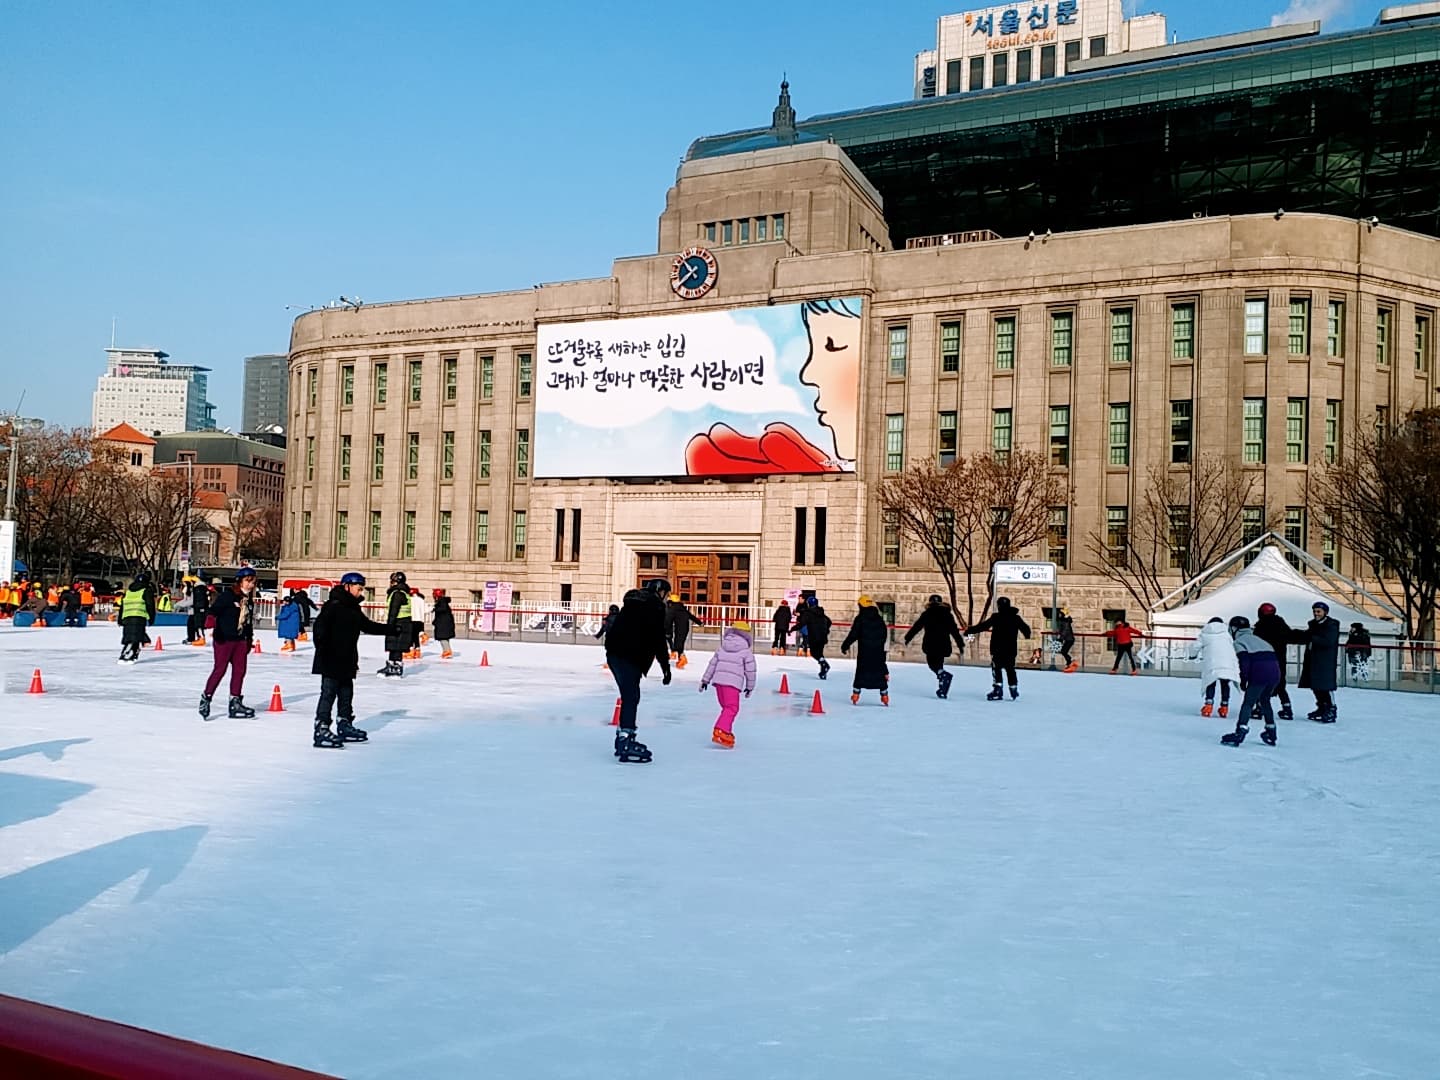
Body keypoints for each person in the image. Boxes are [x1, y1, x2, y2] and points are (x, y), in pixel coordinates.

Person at [310, 572, 392, 748]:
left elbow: (367, 626)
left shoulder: (354, 608)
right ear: (347, 586)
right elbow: (319, 630)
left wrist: (392, 630)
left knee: (346, 693)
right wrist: (324, 650)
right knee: (329, 692)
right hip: (330, 658)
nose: (360, 591)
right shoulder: (333, 605)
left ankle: (344, 723)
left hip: (347, 658)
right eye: (358, 588)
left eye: (362, 588)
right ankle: (321, 727)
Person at [604, 578, 673, 763]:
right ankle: (625, 738)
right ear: (661, 592)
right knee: (631, 697)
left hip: (614, 655)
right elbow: (658, 639)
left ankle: (624, 735)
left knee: (630, 696)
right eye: (667, 594)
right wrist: (666, 668)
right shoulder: (655, 607)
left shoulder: (632, 603)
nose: (667, 599)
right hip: (630, 657)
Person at [200, 567, 258, 719]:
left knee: (240, 671)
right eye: (248, 581)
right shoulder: (228, 596)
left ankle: (235, 702)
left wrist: (249, 639)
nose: (250, 585)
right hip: (224, 639)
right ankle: (206, 698)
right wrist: (211, 620)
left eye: (252, 582)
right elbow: (214, 611)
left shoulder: (248, 601)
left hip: (239, 641)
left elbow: (248, 622)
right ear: (239, 582)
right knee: (220, 670)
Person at [1222, 616, 1280, 747]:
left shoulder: (1239, 642)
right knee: (1265, 701)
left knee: (1248, 702)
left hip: (1259, 674)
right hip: (1274, 674)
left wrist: (1243, 679)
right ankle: (1271, 731)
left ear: (1234, 629)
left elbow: (1244, 662)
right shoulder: (1262, 641)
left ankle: (1240, 731)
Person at [699, 619, 757, 748]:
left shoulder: (722, 648)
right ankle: (720, 729)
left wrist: (705, 680)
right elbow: (750, 671)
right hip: (733, 684)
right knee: (732, 708)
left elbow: (712, 665)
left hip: (719, 683)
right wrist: (750, 687)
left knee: (726, 708)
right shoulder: (746, 651)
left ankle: (726, 731)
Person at [903, 594, 966, 699]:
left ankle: (943, 676)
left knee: (932, 664)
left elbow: (917, 626)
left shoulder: (927, 613)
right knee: (939, 664)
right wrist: (960, 644)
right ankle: (942, 688)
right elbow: (954, 630)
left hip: (931, 643)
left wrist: (908, 637)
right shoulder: (947, 614)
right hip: (943, 643)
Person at [970, 596, 1032, 701]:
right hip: (1011, 648)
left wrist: (970, 630)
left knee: (996, 668)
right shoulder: (1015, 618)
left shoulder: (996, 617)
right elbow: (1026, 629)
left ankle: (998, 689)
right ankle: (1013, 688)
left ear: (999, 606)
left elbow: (984, 626)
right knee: (1010, 668)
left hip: (997, 647)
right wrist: (1027, 635)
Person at [1294, 600, 1342, 722]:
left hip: (1325, 661)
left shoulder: (1332, 625)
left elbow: (1328, 641)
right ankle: (1321, 707)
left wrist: (1311, 637)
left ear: (1325, 612)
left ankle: (1331, 709)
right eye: (1314, 611)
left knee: (1326, 686)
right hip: (1313, 659)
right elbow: (1306, 636)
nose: (1316, 614)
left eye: (1319, 611)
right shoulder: (1313, 625)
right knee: (1315, 685)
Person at [841, 595, 890, 705]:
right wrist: (880, 645)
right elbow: (884, 633)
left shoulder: (860, 619)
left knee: (861, 672)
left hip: (864, 651)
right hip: (878, 651)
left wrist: (845, 645)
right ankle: (884, 695)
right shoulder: (879, 618)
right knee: (879, 672)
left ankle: (856, 694)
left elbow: (854, 634)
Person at [1253, 602, 1296, 720]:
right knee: (1280, 684)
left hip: (1264, 659)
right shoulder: (1280, 624)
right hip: (1279, 659)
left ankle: (1259, 708)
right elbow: (1290, 635)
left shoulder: (1260, 627)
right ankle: (1287, 708)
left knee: (1261, 683)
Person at [1190, 616, 1240, 717]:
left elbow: (1195, 647)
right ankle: (1224, 707)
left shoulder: (1205, 633)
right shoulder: (1227, 634)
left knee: (1210, 682)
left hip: (1212, 663)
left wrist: (1192, 655)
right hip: (1227, 663)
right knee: (1225, 684)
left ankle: (1208, 705)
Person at [117, 572, 156, 664]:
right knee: (136, 637)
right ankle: (130, 654)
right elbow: (150, 604)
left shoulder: (129, 591)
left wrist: (120, 619)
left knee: (129, 636)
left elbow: (122, 606)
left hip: (127, 617)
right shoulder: (146, 590)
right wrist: (151, 618)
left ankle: (127, 654)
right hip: (139, 616)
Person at [378, 571, 412, 677]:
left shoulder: (397, 593)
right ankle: (391, 664)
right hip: (404, 623)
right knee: (395, 646)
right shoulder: (404, 592)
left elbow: (394, 610)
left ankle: (396, 667)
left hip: (398, 623)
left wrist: (390, 625)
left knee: (396, 646)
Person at [665, 595, 701, 669]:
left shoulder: (672, 609)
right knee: (679, 643)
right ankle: (679, 658)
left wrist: (667, 631)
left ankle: (682, 658)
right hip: (685, 628)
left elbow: (668, 620)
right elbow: (691, 616)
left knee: (678, 643)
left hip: (679, 628)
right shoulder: (682, 607)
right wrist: (699, 622)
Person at [804, 596, 833, 679]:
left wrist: (792, 629)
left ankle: (825, 665)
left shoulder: (808, 613)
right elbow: (829, 621)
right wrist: (825, 629)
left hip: (814, 636)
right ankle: (823, 672)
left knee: (814, 653)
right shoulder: (821, 613)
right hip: (822, 636)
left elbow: (802, 622)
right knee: (820, 654)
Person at [187, 577, 212, 646]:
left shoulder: (199, 588)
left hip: (199, 609)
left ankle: (201, 638)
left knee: (199, 624)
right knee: (197, 624)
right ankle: (200, 637)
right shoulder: (201, 588)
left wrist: (199, 607)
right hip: (200, 609)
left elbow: (200, 600)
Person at [431, 589, 455, 659]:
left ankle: (447, 651)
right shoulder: (442, 602)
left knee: (443, 637)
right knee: (444, 638)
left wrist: (435, 609)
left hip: (443, 624)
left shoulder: (442, 602)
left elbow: (442, 610)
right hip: (444, 623)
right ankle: (446, 650)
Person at [408, 587, 428, 659]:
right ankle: (417, 651)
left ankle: (410, 651)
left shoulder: (409, 600)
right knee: (416, 636)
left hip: (411, 619)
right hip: (420, 620)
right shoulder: (421, 600)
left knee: (410, 636)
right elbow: (426, 610)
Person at [1055, 607, 1077, 673]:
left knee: (1063, 651)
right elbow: (1062, 631)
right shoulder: (1064, 620)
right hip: (1068, 639)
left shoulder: (1065, 621)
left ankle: (1070, 662)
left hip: (1069, 639)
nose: (1059, 615)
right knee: (1063, 651)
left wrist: (1060, 639)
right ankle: (1069, 662)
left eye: (1060, 613)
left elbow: (1064, 631)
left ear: (1063, 614)